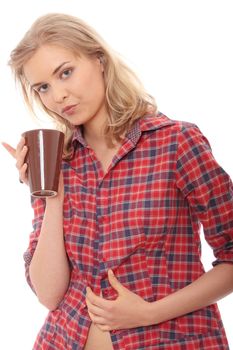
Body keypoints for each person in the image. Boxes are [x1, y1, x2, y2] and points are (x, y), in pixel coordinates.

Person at [2, 12, 233, 350]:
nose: (58, 96)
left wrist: (149, 313)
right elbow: (49, 295)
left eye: (66, 73)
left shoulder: (176, 142)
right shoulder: (57, 161)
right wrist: (52, 194)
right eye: (44, 88)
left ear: (99, 59)